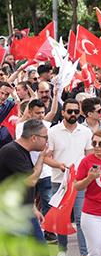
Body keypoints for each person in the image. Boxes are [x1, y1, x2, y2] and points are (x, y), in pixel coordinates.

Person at [0, 118, 68, 256]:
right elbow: (29, 181)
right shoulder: (12, 151)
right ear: (34, 137)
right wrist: (40, 159)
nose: (47, 142)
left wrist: (33, 207)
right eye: (45, 138)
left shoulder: (21, 151)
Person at [44, 99, 92, 256]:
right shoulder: (53, 132)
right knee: (61, 218)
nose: (73, 115)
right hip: (59, 181)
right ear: (63, 112)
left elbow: (90, 155)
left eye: (75, 112)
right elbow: (46, 157)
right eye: (69, 111)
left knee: (80, 218)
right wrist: (59, 166)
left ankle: (84, 254)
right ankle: (62, 250)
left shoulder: (85, 132)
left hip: (79, 181)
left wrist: (87, 174)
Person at [16, 100, 54, 242]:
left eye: (42, 113)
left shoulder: (45, 126)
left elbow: (53, 112)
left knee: (47, 200)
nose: (41, 116)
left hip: (44, 173)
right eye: (37, 113)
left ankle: (48, 230)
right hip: (29, 173)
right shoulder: (20, 128)